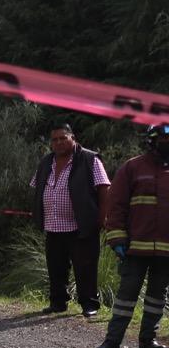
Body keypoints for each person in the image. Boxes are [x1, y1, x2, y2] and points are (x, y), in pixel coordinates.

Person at [94, 124, 169, 348]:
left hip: (166, 251)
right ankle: (113, 341)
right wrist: (117, 238)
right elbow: (115, 205)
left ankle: (148, 340)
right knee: (127, 296)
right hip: (134, 248)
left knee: (157, 298)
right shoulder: (133, 167)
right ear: (152, 142)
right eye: (164, 141)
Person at [29, 123, 110, 317]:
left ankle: (89, 304)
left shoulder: (90, 159)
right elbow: (36, 186)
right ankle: (58, 303)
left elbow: (104, 189)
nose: (59, 143)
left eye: (63, 138)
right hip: (53, 226)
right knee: (55, 267)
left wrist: (101, 219)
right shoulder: (46, 162)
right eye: (54, 140)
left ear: (73, 138)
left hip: (81, 226)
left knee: (86, 268)